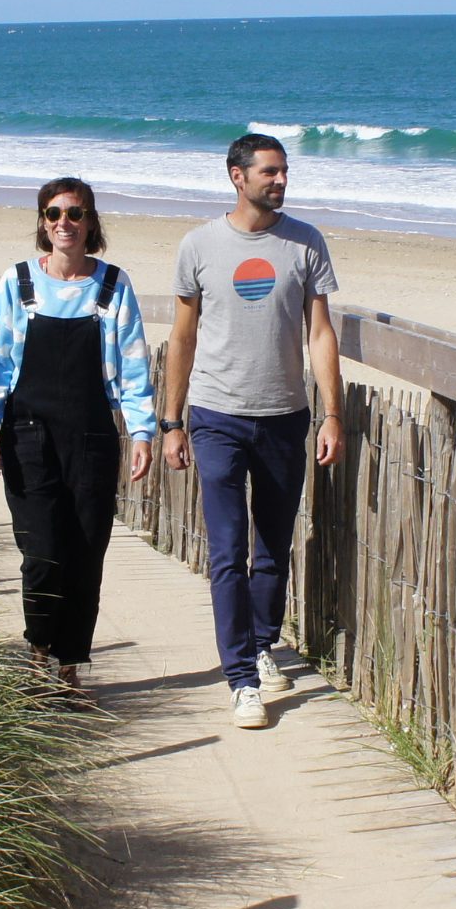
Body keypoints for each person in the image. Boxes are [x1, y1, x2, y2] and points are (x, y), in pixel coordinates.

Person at [158, 133, 342, 729]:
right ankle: (239, 677)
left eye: (285, 171)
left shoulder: (306, 242)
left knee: (272, 546)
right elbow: (182, 337)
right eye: (269, 172)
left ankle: (263, 647)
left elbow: (319, 334)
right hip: (217, 416)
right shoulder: (200, 245)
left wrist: (332, 412)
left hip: (285, 416)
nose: (281, 181)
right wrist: (172, 422)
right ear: (237, 176)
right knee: (226, 550)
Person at [0, 177, 156, 690]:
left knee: (85, 552)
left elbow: (134, 367)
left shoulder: (113, 286)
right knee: (42, 553)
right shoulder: (19, 283)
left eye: (74, 214)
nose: (64, 224)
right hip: (28, 436)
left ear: (91, 221)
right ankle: (38, 652)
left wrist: (142, 432)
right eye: (53, 214)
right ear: (42, 223)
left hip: (92, 438)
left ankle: (71, 666)